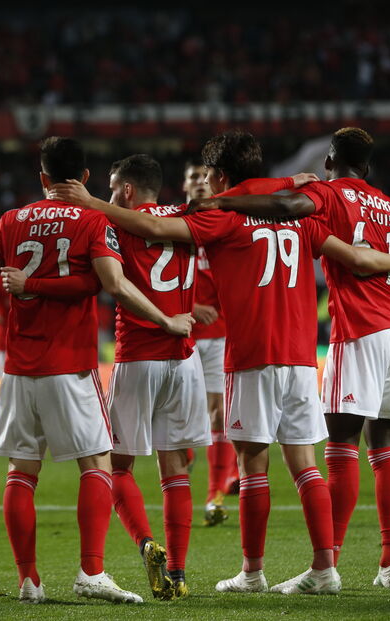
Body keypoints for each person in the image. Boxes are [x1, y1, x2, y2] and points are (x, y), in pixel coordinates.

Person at [48, 129, 390, 596]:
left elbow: (153, 228)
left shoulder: (224, 215)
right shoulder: (298, 213)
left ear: (218, 176)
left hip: (251, 354)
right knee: (305, 464)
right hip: (302, 357)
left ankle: (252, 573)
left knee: (253, 466)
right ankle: (325, 568)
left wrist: (93, 203)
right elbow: (354, 256)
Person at [0, 136, 194, 604]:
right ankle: (91, 572)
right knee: (98, 464)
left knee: (21, 471)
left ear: (42, 177)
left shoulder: (9, 220)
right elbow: (114, 285)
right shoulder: (92, 220)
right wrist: (165, 320)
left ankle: (29, 581)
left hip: (18, 368)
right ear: (84, 177)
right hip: (70, 365)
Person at [198, 127, 390, 589]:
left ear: (329, 160)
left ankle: (325, 565)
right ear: (367, 165)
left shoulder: (329, 194)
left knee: (340, 448)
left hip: (359, 330)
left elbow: (289, 208)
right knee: (384, 446)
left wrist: (225, 203)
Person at [184, 157, 238, 527]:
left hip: (219, 333)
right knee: (186, 413)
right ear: (184, 185)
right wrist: (189, 307)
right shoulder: (174, 225)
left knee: (218, 412)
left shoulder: (225, 223)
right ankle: (190, 455)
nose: (200, 182)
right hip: (181, 331)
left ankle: (214, 494)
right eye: (193, 177)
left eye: (206, 176)